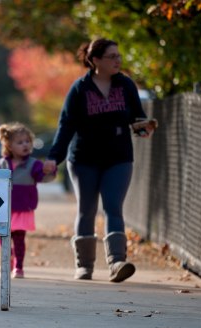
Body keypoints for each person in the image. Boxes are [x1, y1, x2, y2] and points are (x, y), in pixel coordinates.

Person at [42, 38, 157, 283]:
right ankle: (84, 266)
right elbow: (66, 126)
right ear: (95, 60)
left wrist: (143, 127)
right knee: (87, 210)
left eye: (119, 56)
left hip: (118, 158)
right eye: (112, 56)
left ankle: (117, 262)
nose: (118, 60)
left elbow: (137, 117)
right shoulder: (80, 89)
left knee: (113, 207)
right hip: (84, 159)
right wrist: (54, 158)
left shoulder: (125, 85)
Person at [0, 122, 56, 278]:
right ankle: (8, 256)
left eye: (28, 141)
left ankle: (19, 266)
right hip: (3, 208)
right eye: (20, 142)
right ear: (9, 145)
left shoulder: (34, 164)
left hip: (23, 208)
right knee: (2, 236)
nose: (25, 145)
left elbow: (43, 177)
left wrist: (50, 171)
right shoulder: (3, 163)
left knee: (19, 238)